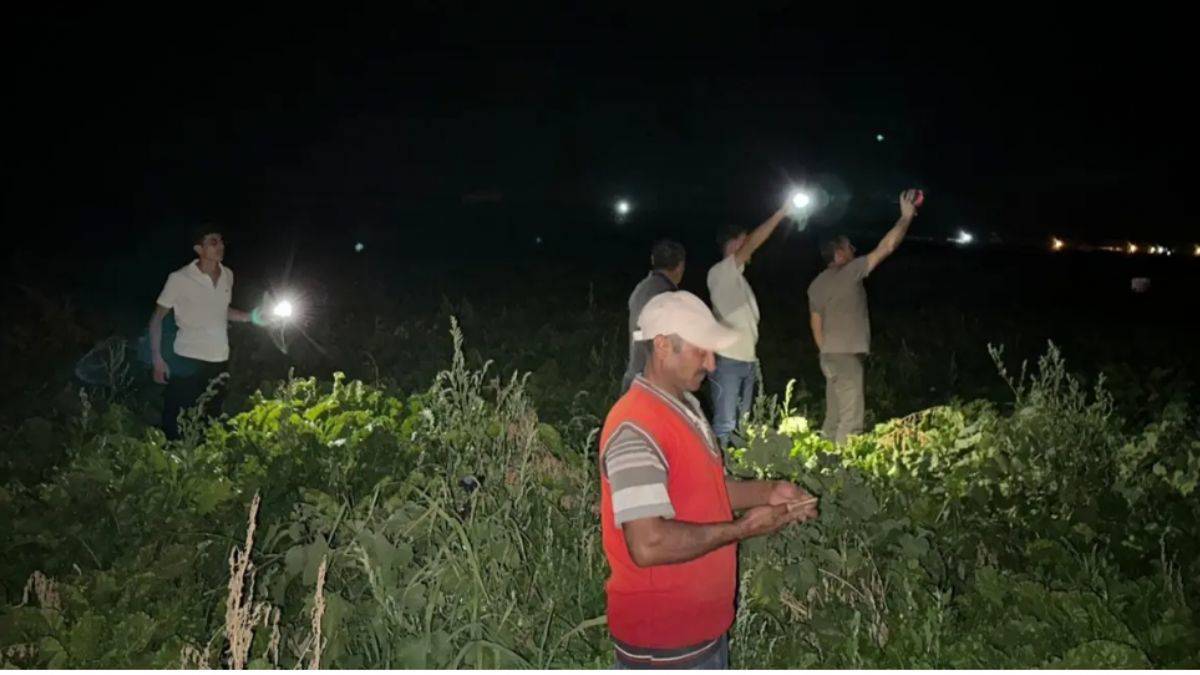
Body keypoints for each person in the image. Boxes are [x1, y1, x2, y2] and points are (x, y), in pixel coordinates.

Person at [599, 291, 820, 669]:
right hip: (664, 640)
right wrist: (741, 529)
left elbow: (703, 492)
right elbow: (649, 544)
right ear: (664, 346)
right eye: (702, 352)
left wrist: (767, 492)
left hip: (700, 630)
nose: (713, 364)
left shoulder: (683, 408)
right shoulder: (636, 427)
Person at [807, 189, 920, 443]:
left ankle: (820, 467)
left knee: (833, 418)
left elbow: (815, 324)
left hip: (829, 357)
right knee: (851, 421)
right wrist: (905, 218)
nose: (854, 250)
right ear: (838, 254)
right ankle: (843, 476)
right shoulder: (851, 271)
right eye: (849, 247)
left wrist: (826, 352)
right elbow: (888, 246)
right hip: (846, 357)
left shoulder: (816, 284)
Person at [148, 225, 262, 439]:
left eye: (220, 241)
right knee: (177, 420)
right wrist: (157, 359)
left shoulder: (228, 274)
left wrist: (251, 317)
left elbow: (220, 310)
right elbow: (157, 319)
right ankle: (171, 464)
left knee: (210, 418)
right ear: (198, 249)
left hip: (219, 359)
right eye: (213, 242)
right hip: (187, 359)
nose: (220, 246)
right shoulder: (179, 279)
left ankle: (203, 466)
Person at [705, 201, 791, 446]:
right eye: (745, 242)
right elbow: (755, 241)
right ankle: (718, 475)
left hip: (747, 361)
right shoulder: (721, 272)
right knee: (725, 424)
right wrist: (781, 213)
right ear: (733, 244)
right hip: (728, 361)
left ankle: (738, 472)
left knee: (743, 426)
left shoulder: (738, 280)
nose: (750, 249)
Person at [621, 239, 686, 392]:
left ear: (653, 260)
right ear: (680, 266)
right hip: (655, 386)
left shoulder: (640, 289)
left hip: (633, 378)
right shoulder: (669, 296)